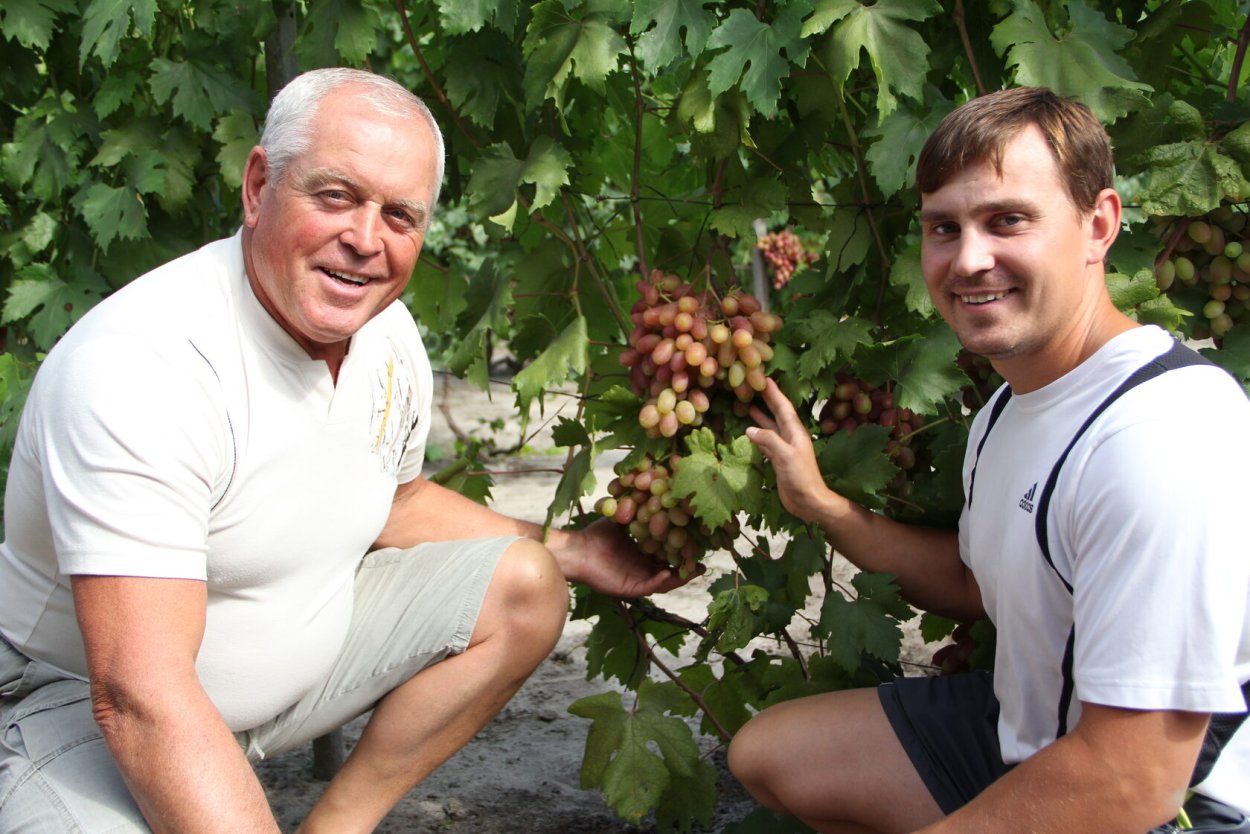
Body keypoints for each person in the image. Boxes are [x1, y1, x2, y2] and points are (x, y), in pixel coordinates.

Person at [0, 67, 691, 834]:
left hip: (259, 689)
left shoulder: (384, 334)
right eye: (335, 196)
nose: (366, 240)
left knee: (526, 586)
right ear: (259, 184)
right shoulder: (146, 367)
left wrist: (570, 549)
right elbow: (137, 693)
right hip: (69, 708)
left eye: (400, 215)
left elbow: (397, 500)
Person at [727, 87, 1250, 833]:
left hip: (1174, 804)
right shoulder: (1011, 407)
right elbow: (977, 583)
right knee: (775, 754)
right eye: (945, 228)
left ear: (1098, 225)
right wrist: (821, 505)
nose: (969, 259)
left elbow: (1134, 781)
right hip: (1033, 739)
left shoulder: (1162, 437)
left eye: (1007, 220)